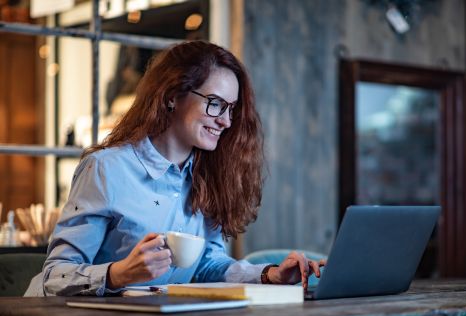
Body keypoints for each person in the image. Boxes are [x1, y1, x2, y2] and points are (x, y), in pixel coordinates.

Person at [25, 41, 325, 297]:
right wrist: (117, 274)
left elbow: (208, 265)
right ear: (172, 96)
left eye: (231, 109)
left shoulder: (208, 175)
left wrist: (269, 275)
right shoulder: (107, 169)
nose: (226, 121)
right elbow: (54, 276)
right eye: (215, 103)